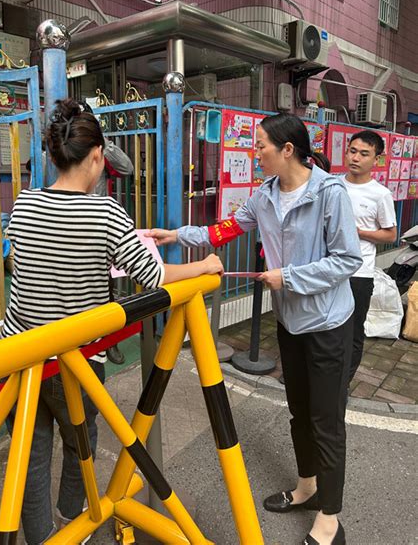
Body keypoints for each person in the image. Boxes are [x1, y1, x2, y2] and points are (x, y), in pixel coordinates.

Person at [1, 98, 223, 545]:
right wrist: (205, 265)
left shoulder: (23, 206)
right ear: (99, 156)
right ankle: (72, 517)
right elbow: (155, 276)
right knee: (79, 438)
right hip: (73, 361)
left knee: (28, 452)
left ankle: (40, 536)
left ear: (51, 156)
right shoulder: (106, 214)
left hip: (18, 356)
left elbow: (19, 265)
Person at [147, 113, 362, 545]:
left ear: (287, 150)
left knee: (326, 420)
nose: (255, 153)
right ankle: (307, 486)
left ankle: (329, 518)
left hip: (327, 324)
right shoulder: (264, 196)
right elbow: (223, 230)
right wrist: (175, 235)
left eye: (260, 145)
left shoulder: (329, 192)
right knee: (300, 412)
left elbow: (347, 260)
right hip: (290, 322)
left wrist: (290, 277)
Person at [78, 100, 135, 366]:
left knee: (104, 291)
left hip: (95, 230)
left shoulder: (101, 151)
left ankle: (108, 342)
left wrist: (103, 142)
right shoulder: (55, 150)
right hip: (64, 225)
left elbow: (126, 169)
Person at [342, 130, 397, 382]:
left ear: (376, 159)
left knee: (353, 332)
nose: (356, 158)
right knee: (323, 327)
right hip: (327, 269)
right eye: (353, 151)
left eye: (364, 154)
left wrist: (359, 233)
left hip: (359, 274)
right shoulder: (333, 185)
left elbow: (390, 235)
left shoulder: (380, 194)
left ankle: (342, 383)